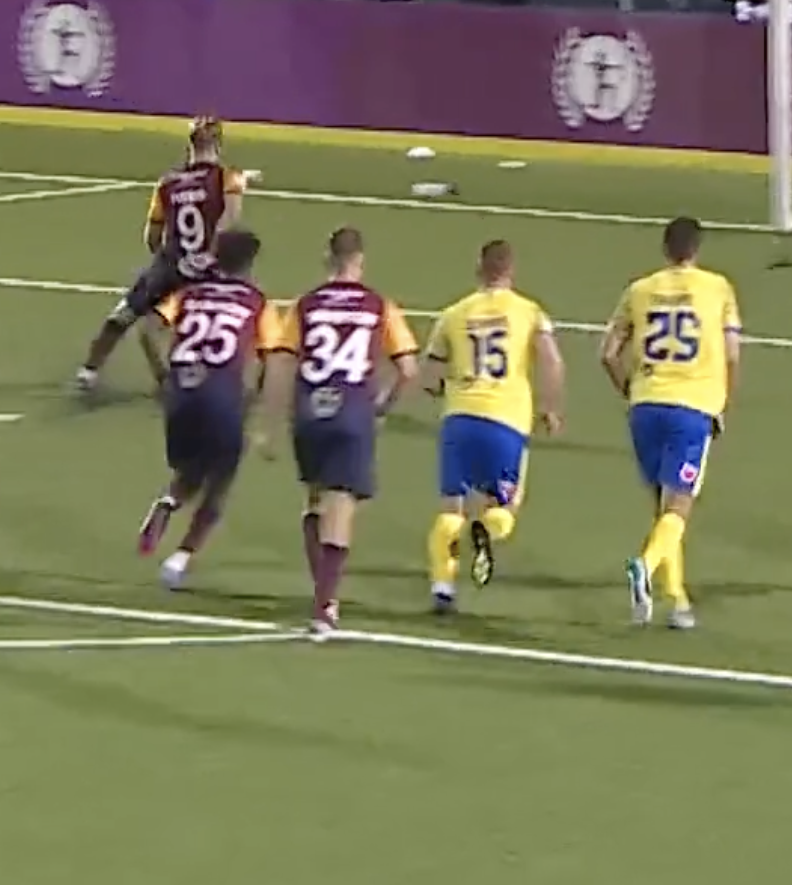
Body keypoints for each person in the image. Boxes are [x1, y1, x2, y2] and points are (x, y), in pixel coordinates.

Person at [263, 228, 419, 639]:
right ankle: (324, 606)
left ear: (326, 258)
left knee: (315, 500)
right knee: (342, 505)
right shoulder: (378, 305)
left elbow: (279, 362)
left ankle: (323, 594)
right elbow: (408, 369)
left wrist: (270, 425)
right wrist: (384, 404)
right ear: (360, 261)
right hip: (352, 411)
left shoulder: (305, 304)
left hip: (309, 412)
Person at [599, 217, 741, 630]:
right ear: (696, 249)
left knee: (662, 506)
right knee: (679, 505)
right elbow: (732, 353)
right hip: (692, 407)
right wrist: (724, 403)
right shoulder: (717, 288)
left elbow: (607, 353)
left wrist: (630, 390)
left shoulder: (639, 290)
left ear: (665, 249)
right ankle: (644, 566)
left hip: (646, 405)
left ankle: (676, 601)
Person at [422, 240, 566, 613]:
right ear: (511, 271)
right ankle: (485, 531)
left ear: (478, 268)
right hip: (505, 421)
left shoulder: (453, 314)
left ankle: (442, 586)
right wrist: (550, 408)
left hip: (458, 419)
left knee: (450, 507)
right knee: (505, 505)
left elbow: (429, 376)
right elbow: (552, 362)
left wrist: (442, 387)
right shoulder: (529, 312)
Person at [135, 230, 276, 591]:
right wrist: (255, 402)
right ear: (250, 263)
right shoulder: (257, 300)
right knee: (220, 482)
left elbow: (148, 330)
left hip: (182, 390)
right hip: (220, 391)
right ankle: (179, 559)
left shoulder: (190, 293)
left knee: (192, 468)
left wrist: (163, 378)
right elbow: (270, 357)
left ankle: (168, 502)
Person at [74, 117, 246, 396]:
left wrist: (167, 262)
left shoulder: (167, 183)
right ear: (218, 143)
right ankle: (210, 379)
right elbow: (230, 220)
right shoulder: (228, 177)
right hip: (209, 267)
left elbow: (152, 236)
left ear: (190, 143)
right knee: (224, 319)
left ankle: (89, 371)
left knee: (125, 315)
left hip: (171, 264)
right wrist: (209, 256)